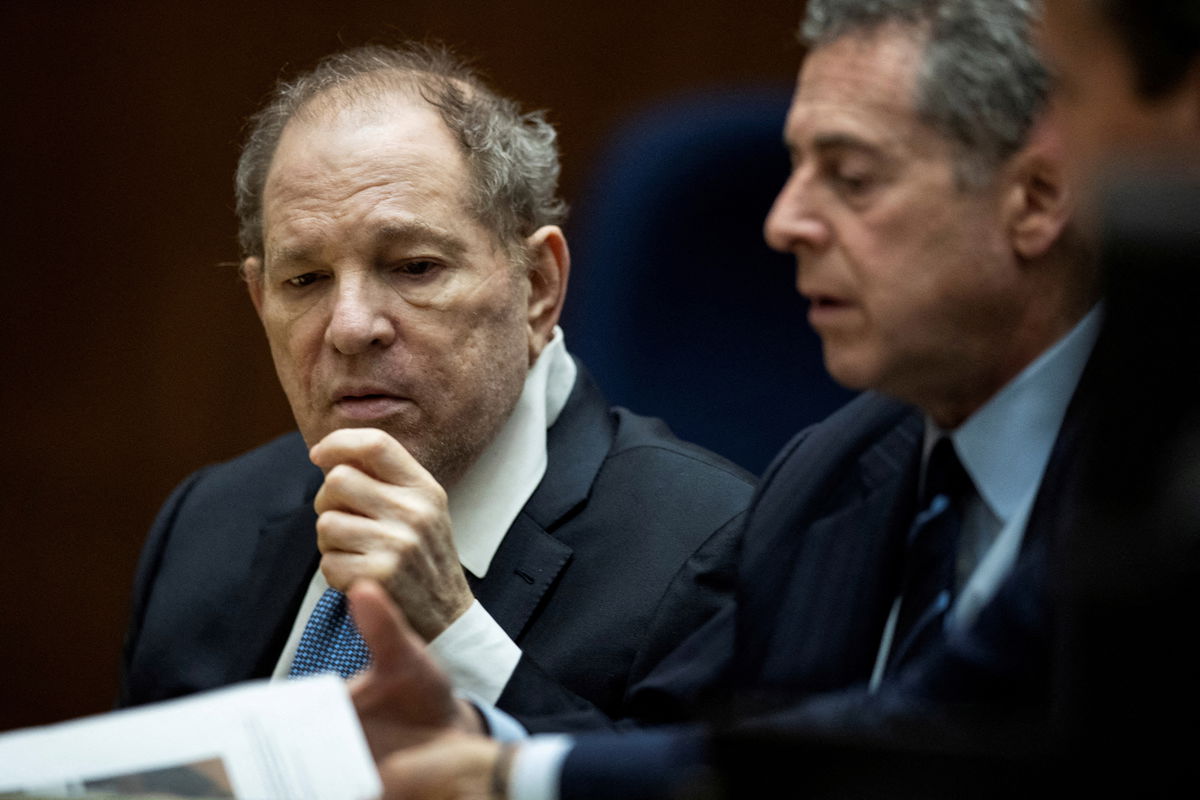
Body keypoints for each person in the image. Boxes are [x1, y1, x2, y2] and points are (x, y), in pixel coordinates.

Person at [341, 1, 1110, 797]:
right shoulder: (829, 478)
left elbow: (939, 742)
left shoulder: (1160, 483)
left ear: (1038, 198)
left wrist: (513, 774)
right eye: (797, 170)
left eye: (851, 178)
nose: (783, 222)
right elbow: (693, 759)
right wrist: (474, 736)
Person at [118, 43, 756, 730]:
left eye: (414, 267)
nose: (351, 327)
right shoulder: (207, 524)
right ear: (258, 299)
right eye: (304, 281)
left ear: (538, 286)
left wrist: (454, 635)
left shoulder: (714, 550)